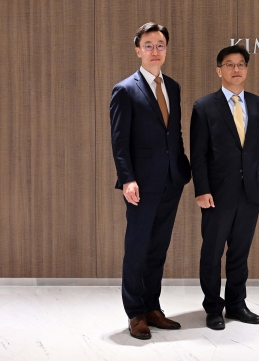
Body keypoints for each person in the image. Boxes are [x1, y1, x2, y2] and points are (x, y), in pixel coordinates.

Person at [110, 22, 191, 340]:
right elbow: (119, 141)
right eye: (148, 45)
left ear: (166, 49)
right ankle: (135, 313)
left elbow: (175, 133)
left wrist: (182, 170)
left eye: (160, 45)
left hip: (172, 180)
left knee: (158, 248)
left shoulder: (173, 86)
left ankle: (153, 307)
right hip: (141, 184)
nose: (155, 50)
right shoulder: (125, 90)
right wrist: (127, 179)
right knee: (137, 247)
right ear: (137, 50)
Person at [190, 45, 259, 331]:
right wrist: (202, 189)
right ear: (219, 70)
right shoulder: (204, 107)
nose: (235, 69)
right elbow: (198, 154)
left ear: (246, 69)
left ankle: (237, 304)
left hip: (250, 192)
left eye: (240, 64)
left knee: (240, 252)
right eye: (229, 64)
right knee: (212, 253)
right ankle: (213, 307)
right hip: (216, 193)